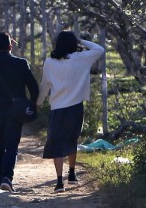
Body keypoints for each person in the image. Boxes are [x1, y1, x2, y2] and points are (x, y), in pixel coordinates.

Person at [37, 29, 105, 191]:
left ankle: (59, 182)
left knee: (56, 144)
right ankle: (72, 173)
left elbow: (45, 85)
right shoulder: (82, 58)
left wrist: (38, 102)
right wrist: (80, 40)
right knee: (71, 140)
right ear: (73, 44)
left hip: (57, 109)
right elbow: (100, 49)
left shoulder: (50, 62)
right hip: (76, 108)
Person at [0, 31, 39, 192]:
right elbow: (33, 87)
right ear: (11, 46)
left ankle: (0, 179)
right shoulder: (21, 63)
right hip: (15, 110)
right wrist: (33, 104)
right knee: (12, 146)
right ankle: (7, 178)